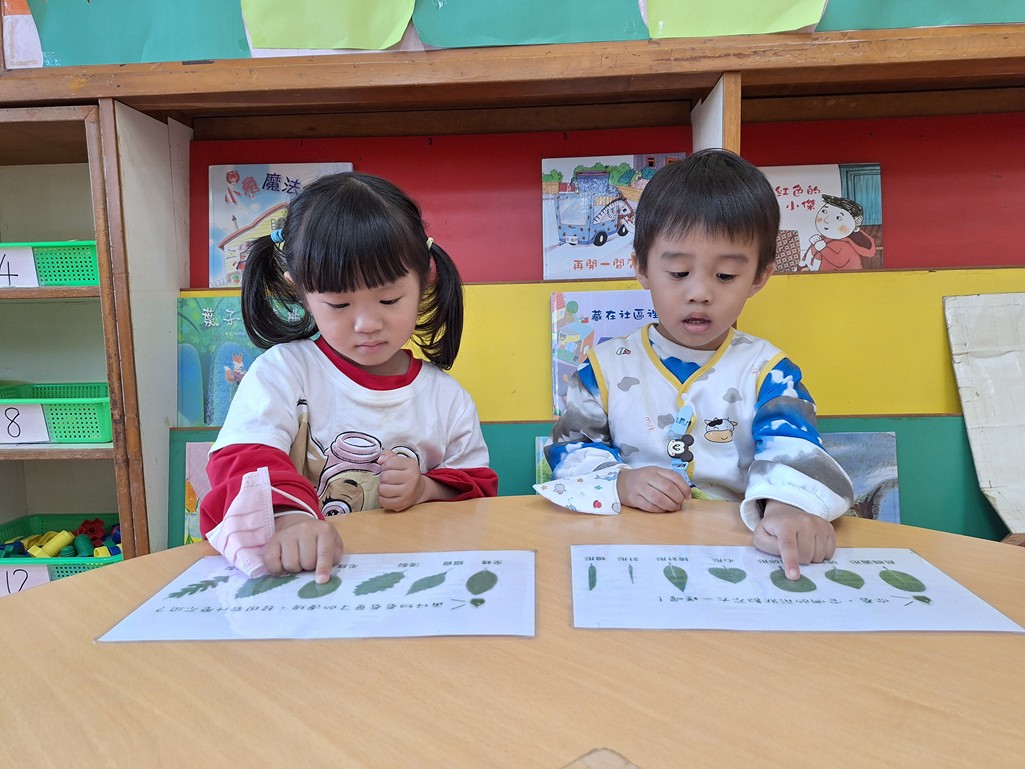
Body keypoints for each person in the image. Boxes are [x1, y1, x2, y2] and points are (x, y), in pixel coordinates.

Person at [545, 149, 853, 580]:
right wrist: (619, 481)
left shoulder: (770, 371)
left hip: (739, 554)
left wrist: (786, 505)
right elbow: (570, 450)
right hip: (630, 550)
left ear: (759, 277)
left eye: (725, 276)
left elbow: (794, 449)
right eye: (678, 273)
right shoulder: (601, 370)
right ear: (641, 268)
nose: (700, 293)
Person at [200, 172, 498, 583]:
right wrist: (290, 520)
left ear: (423, 279)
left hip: (407, 581)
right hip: (306, 581)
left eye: (389, 299)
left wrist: (425, 489)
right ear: (301, 292)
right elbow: (243, 458)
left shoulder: (447, 399)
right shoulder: (283, 372)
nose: (367, 324)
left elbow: (477, 488)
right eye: (339, 305)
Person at [801, 193, 876, 271]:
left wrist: (823, 248)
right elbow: (813, 256)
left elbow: (838, 261)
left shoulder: (845, 245)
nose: (826, 219)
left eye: (838, 218)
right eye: (824, 211)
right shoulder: (825, 238)